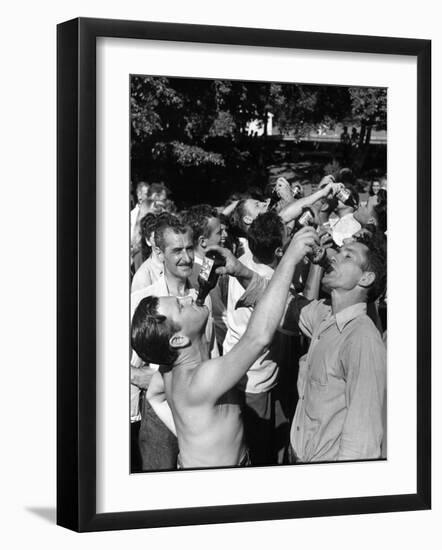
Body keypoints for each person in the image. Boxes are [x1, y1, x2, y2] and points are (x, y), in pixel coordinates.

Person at [131, 226, 319, 468]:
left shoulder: (168, 372)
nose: (188, 297)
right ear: (177, 340)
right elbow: (258, 337)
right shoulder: (202, 378)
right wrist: (290, 259)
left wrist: (188, 432)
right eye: (180, 306)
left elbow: (156, 398)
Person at [238, 236, 387, 463]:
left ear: (366, 278)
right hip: (297, 455)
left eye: (348, 256)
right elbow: (283, 303)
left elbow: (361, 443)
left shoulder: (362, 340)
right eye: (338, 251)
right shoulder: (324, 314)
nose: (334, 256)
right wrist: (239, 270)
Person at [130, 216, 218, 471]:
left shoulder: (202, 294)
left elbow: (209, 347)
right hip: (161, 410)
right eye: (177, 250)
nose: (187, 258)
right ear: (159, 253)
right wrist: (144, 378)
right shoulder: (142, 300)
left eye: (189, 248)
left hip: (203, 406)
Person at [223, 212, 295, 464]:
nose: (292, 235)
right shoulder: (275, 281)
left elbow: (276, 222)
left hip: (236, 365)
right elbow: (291, 323)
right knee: (260, 449)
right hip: (257, 378)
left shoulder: (243, 259)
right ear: (278, 251)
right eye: (289, 235)